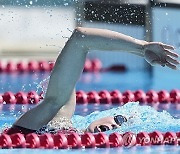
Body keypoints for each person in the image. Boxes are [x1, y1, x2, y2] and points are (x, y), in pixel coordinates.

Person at [5, 27, 179, 135]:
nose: (112, 126)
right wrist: (141, 48)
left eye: (119, 127)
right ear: (105, 116)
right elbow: (80, 39)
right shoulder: (56, 117)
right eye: (117, 119)